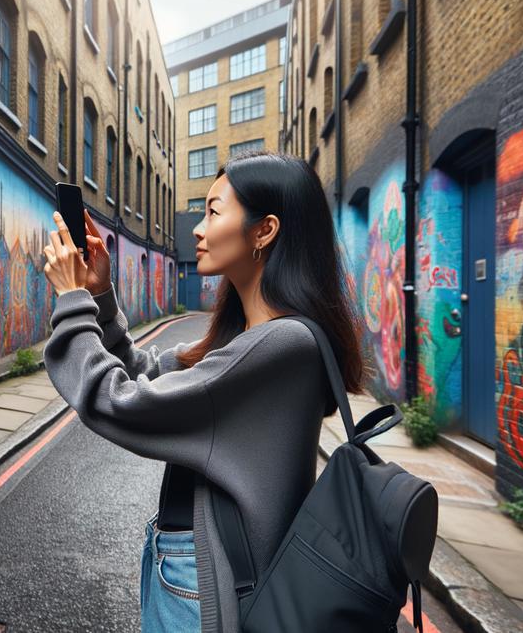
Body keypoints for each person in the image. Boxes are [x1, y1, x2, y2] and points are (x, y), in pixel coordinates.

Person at [42, 151, 366, 632]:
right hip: (190, 572)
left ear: (264, 230)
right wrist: (100, 297)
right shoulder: (248, 337)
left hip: (208, 589)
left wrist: (72, 302)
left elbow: (118, 401)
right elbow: (144, 375)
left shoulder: (281, 344)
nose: (198, 228)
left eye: (214, 212)